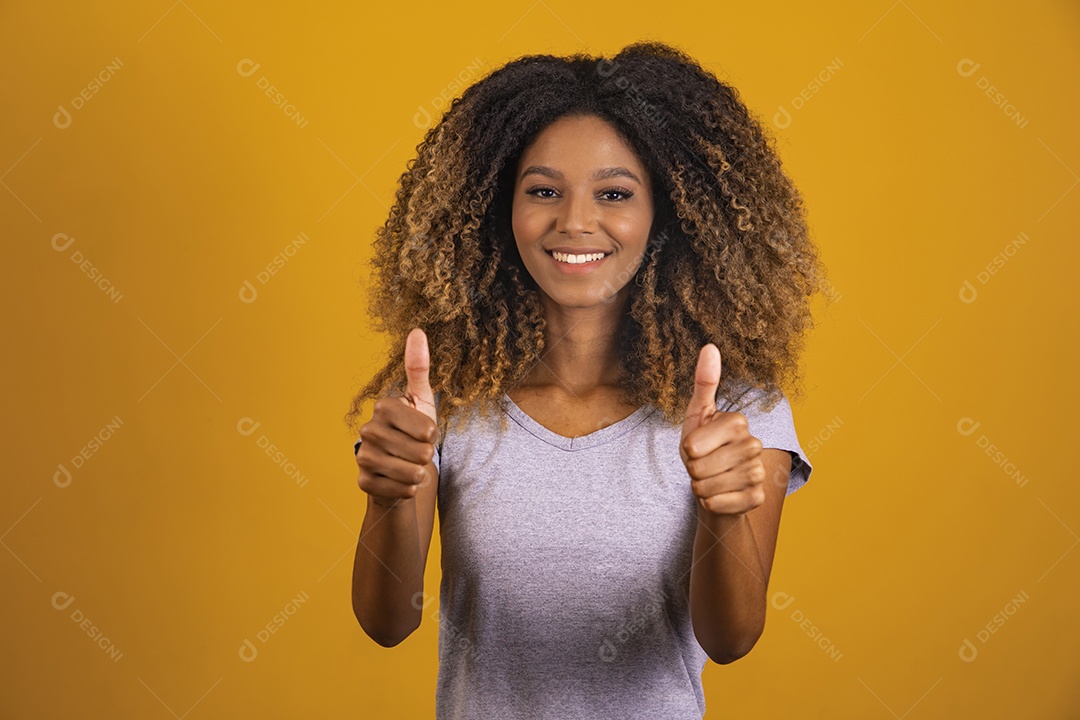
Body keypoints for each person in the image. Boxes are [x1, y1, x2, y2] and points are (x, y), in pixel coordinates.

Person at [345, 40, 831, 719]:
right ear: (495, 208)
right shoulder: (444, 398)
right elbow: (386, 620)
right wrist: (389, 497)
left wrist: (724, 511)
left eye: (614, 193)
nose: (574, 221)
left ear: (670, 213)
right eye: (543, 190)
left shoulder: (737, 412)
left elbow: (732, 637)